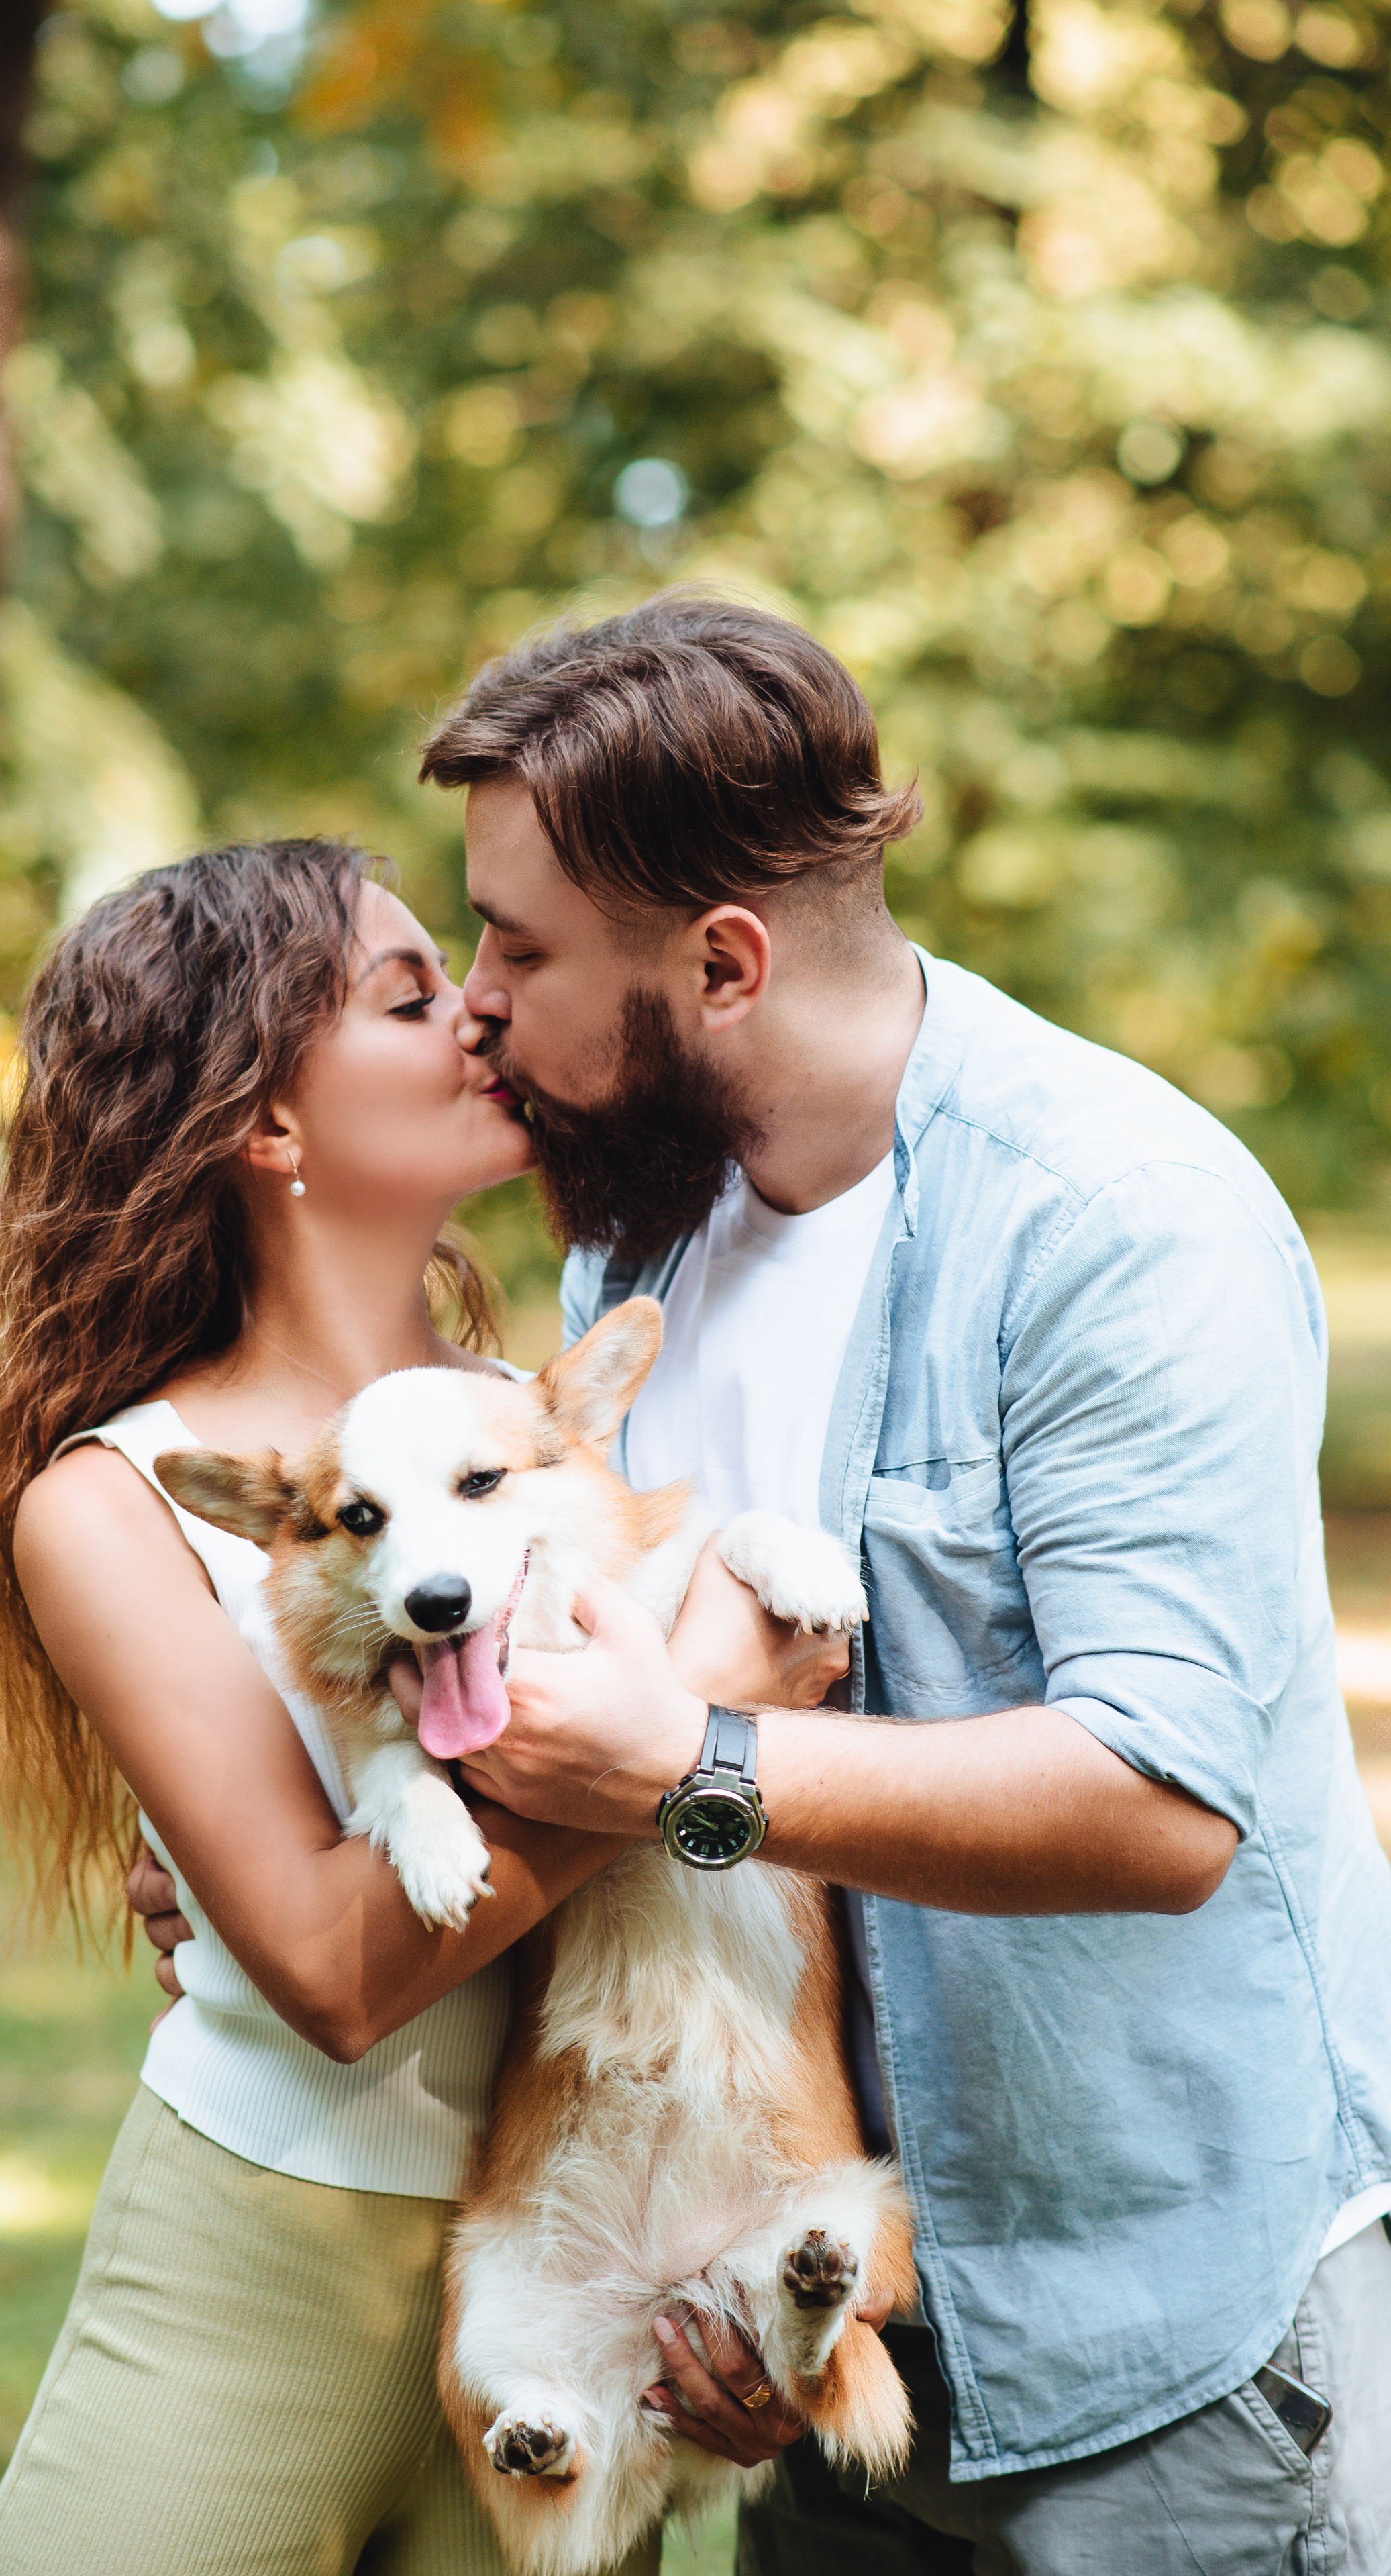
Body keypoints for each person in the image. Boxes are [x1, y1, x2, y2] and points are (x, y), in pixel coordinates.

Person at [400, 593, 1391, 2571]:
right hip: (822, 2317)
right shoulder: (640, 1257)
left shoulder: (1118, 1225)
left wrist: (698, 1762)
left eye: (519, 947)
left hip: (1157, 2335)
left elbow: (1161, 1798)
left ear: (725, 961)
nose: (475, 1000)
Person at [0, 836, 794, 2576]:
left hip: (568, 2255)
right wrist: (690, 1734)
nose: (482, 1015)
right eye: (415, 998)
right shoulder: (123, 1495)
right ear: (267, 1126)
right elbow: (336, 1973)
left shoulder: (551, 1411)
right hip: (269, 2247)